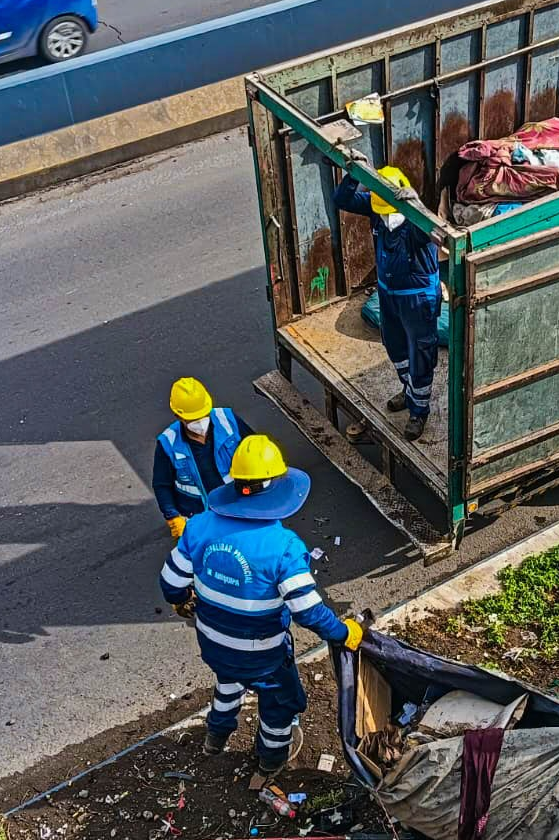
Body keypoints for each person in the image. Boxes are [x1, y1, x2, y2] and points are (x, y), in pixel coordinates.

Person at [159, 435, 363, 770]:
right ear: (275, 492)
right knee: (281, 704)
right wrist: (343, 633)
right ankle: (272, 756)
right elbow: (308, 611)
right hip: (263, 657)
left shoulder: (198, 527)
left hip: (214, 645)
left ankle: (216, 737)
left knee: (227, 683)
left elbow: (170, 583)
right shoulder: (283, 547)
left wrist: (181, 601)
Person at [333, 165, 441, 442]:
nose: (385, 218)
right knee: (395, 347)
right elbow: (342, 199)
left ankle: (419, 410)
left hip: (417, 299)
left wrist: (414, 208)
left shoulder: (417, 224)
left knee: (421, 354)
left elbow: (438, 230)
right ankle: (408, 391)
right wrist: (354, 174)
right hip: (388, 294)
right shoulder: (377, 206)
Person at [152, 377, 252, 540]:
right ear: (178, 416)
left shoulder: (228, 421)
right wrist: (173, 517)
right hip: (201, 519)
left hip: (238, 507)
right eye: (193, 419)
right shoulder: (168, 443)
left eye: (203, 415)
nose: (200, 423)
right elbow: (162, 485)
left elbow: (255, 449)